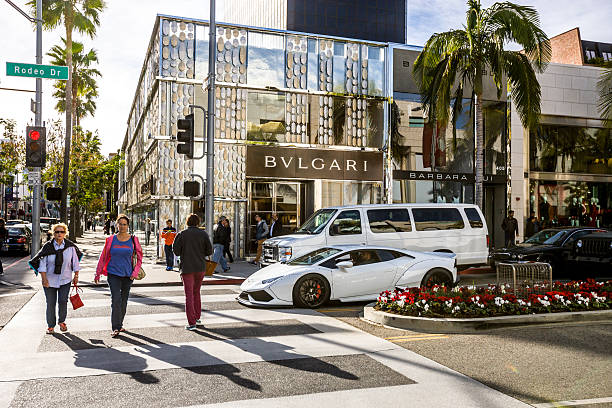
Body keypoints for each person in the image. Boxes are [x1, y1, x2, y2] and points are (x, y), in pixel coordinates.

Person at [94, 214, 143, 338]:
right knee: (115, 300)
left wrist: (134, 273)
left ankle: (119, 324)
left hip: (128, 275)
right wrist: (98, 273)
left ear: (128, 226)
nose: (122, 226)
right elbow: (103, 256)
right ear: (117, 225)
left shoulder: (133, 239)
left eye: (124, 224)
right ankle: (115, 327)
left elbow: (140, 258)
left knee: (124, 301)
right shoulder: (111, 239)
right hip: (113, 274)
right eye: (120, 224)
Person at [29, 223, 81, 334]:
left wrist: (76, 275)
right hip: (49, 280)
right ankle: (50, 326)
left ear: (65, 233)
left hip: (65, 279)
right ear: (53, 233)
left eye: (61, 232)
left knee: (63, 301)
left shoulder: (70, 247)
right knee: (50, 303)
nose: (59, 234)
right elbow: (42, 265)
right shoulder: (48, 247)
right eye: (57, 232)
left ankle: (62, 321)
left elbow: (75, 262)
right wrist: (44, 279)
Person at [172, 213, 213, 330]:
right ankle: (197, 317)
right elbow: (209, 251)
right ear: (198, 222)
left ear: (187, 222)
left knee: (188, 295)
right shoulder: (203, 234)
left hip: (187, 268)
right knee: (196, 293)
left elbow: (176, 251)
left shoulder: (182, 234)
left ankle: (191, 323)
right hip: (200, 267)